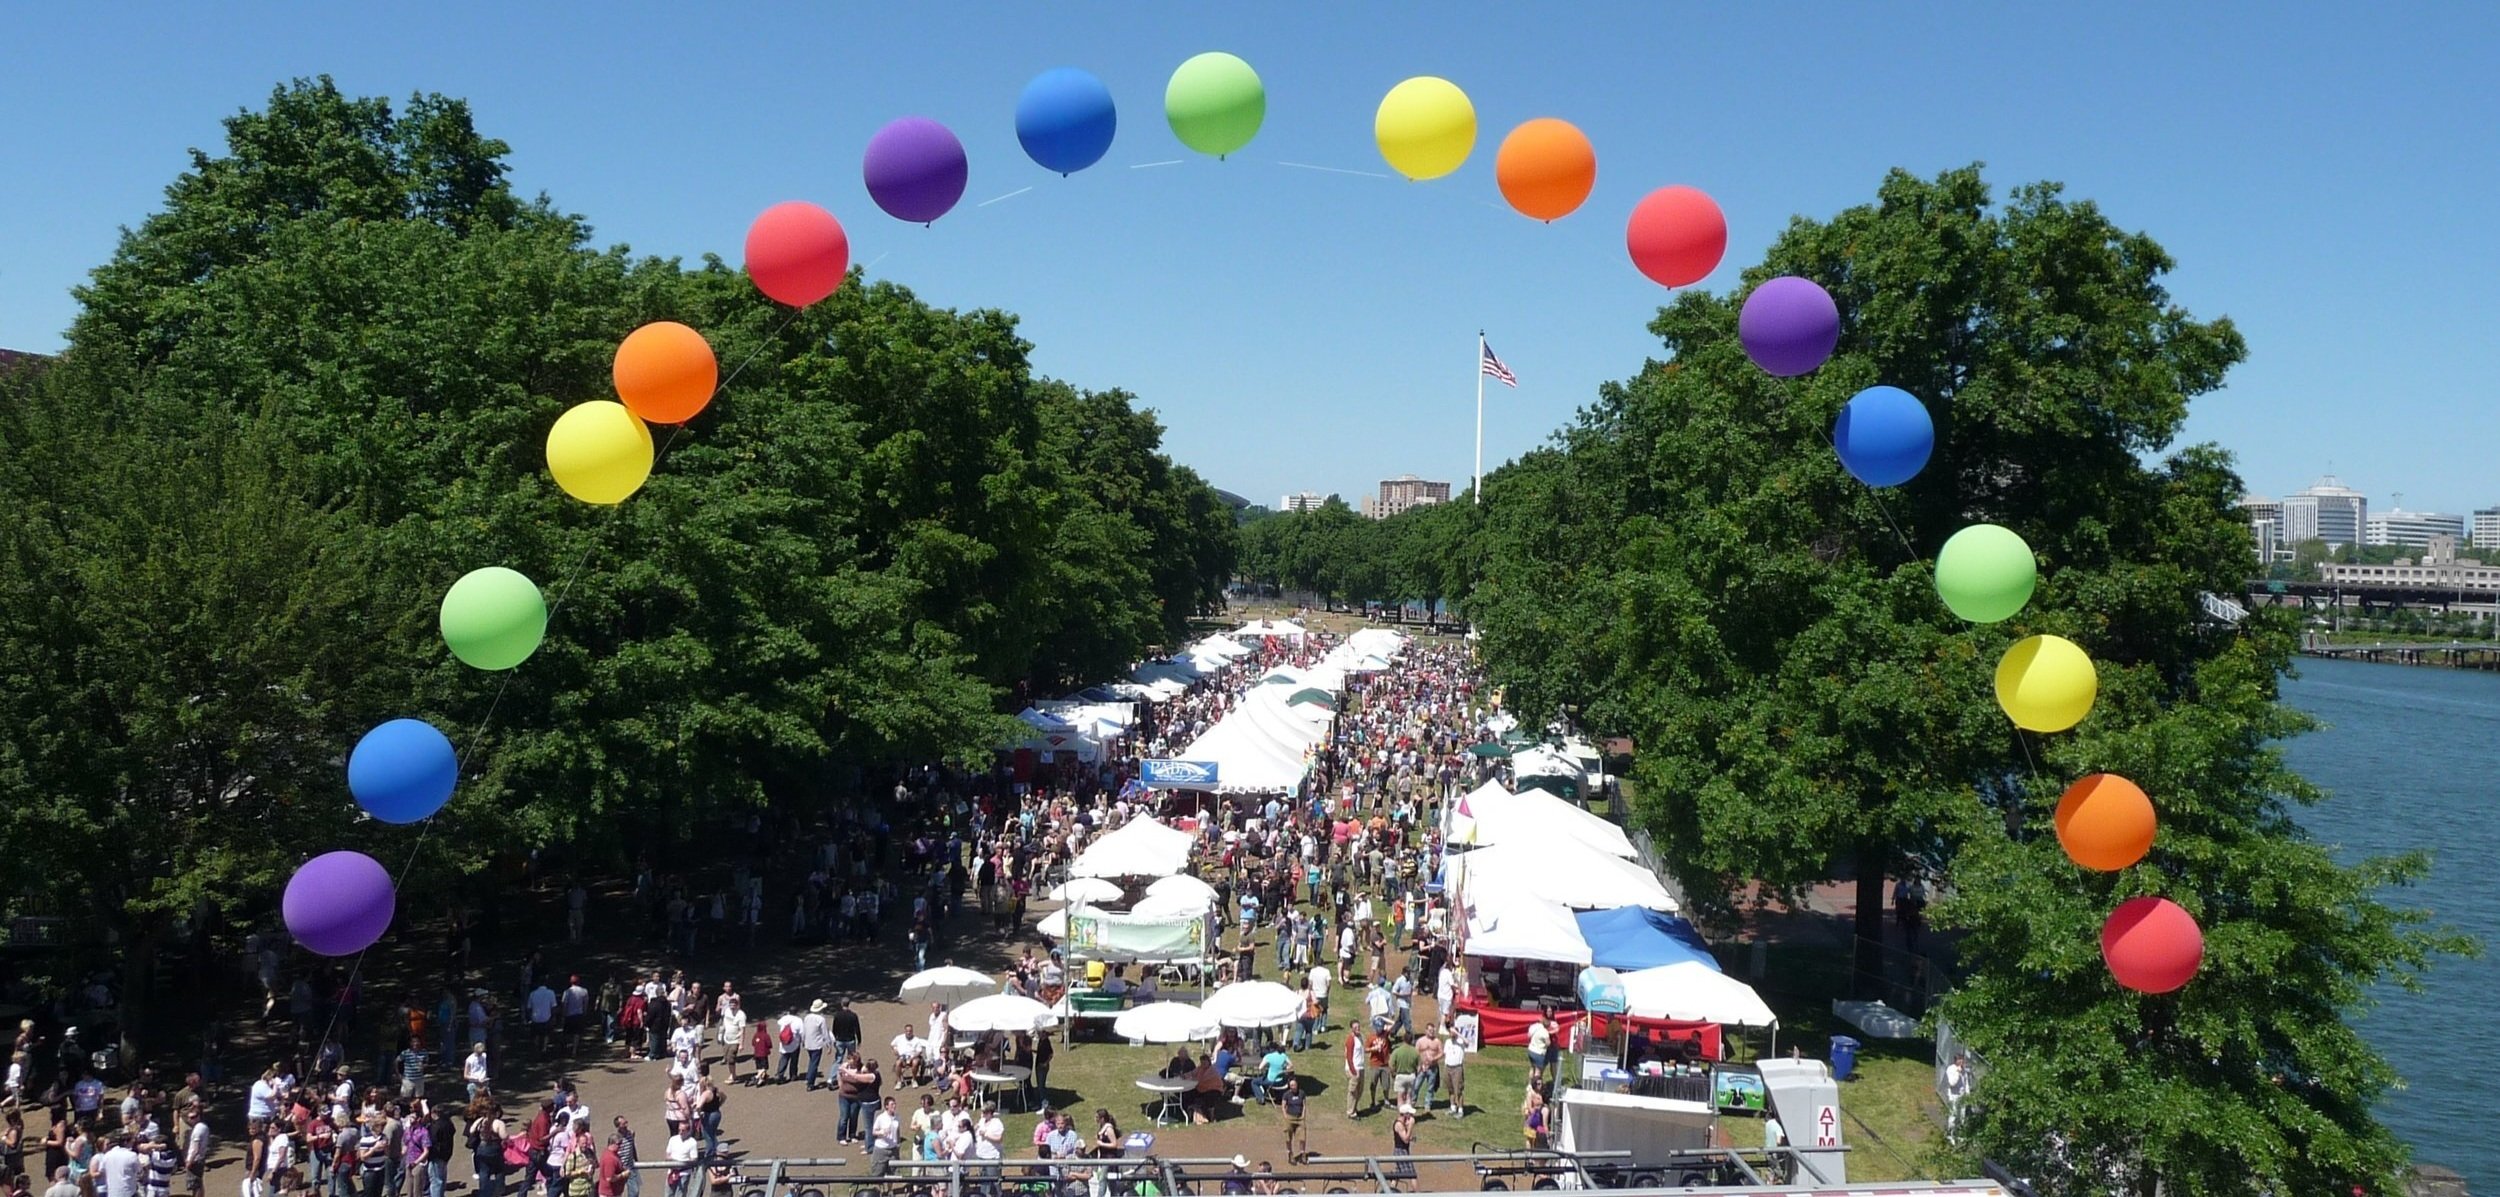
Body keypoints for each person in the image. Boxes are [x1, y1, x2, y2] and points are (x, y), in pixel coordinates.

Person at [866, 1099, 899, 1176]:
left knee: (892, 1171)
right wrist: (881, 1132)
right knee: (878, 1171)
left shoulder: (897, 1117)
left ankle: (890, 1188)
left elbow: (898, 1130)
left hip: (893, 1149)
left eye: (895, 1104)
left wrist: (898, 1143)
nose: (894, 1106)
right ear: (886, 1106)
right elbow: (874, 1132)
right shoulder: (881, 1118)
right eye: (892, 1104)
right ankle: (880, 1187)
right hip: (881, 1149)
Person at [1278, 1081, 1305, 1165]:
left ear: (1297, 1085)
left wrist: (1303, 1114)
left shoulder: (1302, 1093)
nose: (1293, 1087)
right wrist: (1285, 1116)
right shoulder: (1286, 1095)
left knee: (1302, 1137)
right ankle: (1290, 1153)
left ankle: (1302, 1154)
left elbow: (1304, 1105)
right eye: (1291, 1085)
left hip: (1300, 1118)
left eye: (1294, 1085)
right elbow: (1283, 1106)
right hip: (1290, 1118)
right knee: (1288, 1138)